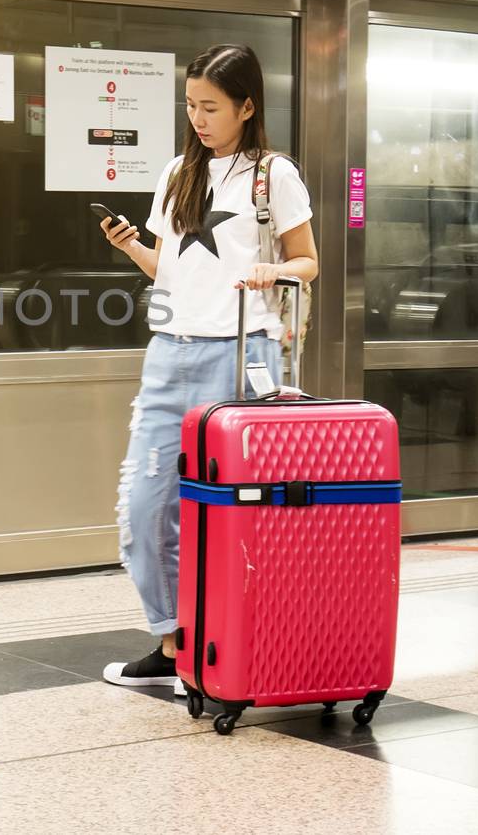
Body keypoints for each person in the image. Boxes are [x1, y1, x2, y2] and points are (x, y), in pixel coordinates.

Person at [97, 44, 319, 693]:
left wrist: (274, 269)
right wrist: (134, 245)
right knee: (144, 507)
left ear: (247, 107)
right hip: (170, 353)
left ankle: (246, 641)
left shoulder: (273, 175)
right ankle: (173, 644)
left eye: (211, 107)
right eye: (191, 105)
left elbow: (309, 262)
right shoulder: (176, 174)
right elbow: (171, 270)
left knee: (240, 512)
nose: (198, 118)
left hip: (243, 354)